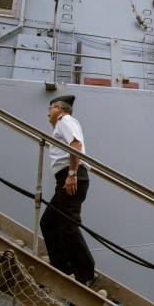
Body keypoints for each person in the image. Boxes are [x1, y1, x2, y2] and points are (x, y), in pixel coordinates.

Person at [40, 95, 96, 285]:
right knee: (48, 223)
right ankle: (63, 268)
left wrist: (72, 174)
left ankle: (86, 273)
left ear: (59, 109)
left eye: (50, 109)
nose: (48, 113)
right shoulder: (59, 126)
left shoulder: (65, 120)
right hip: (64, 179)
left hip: (72, 177)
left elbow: (76, 145)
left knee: (68, 225)